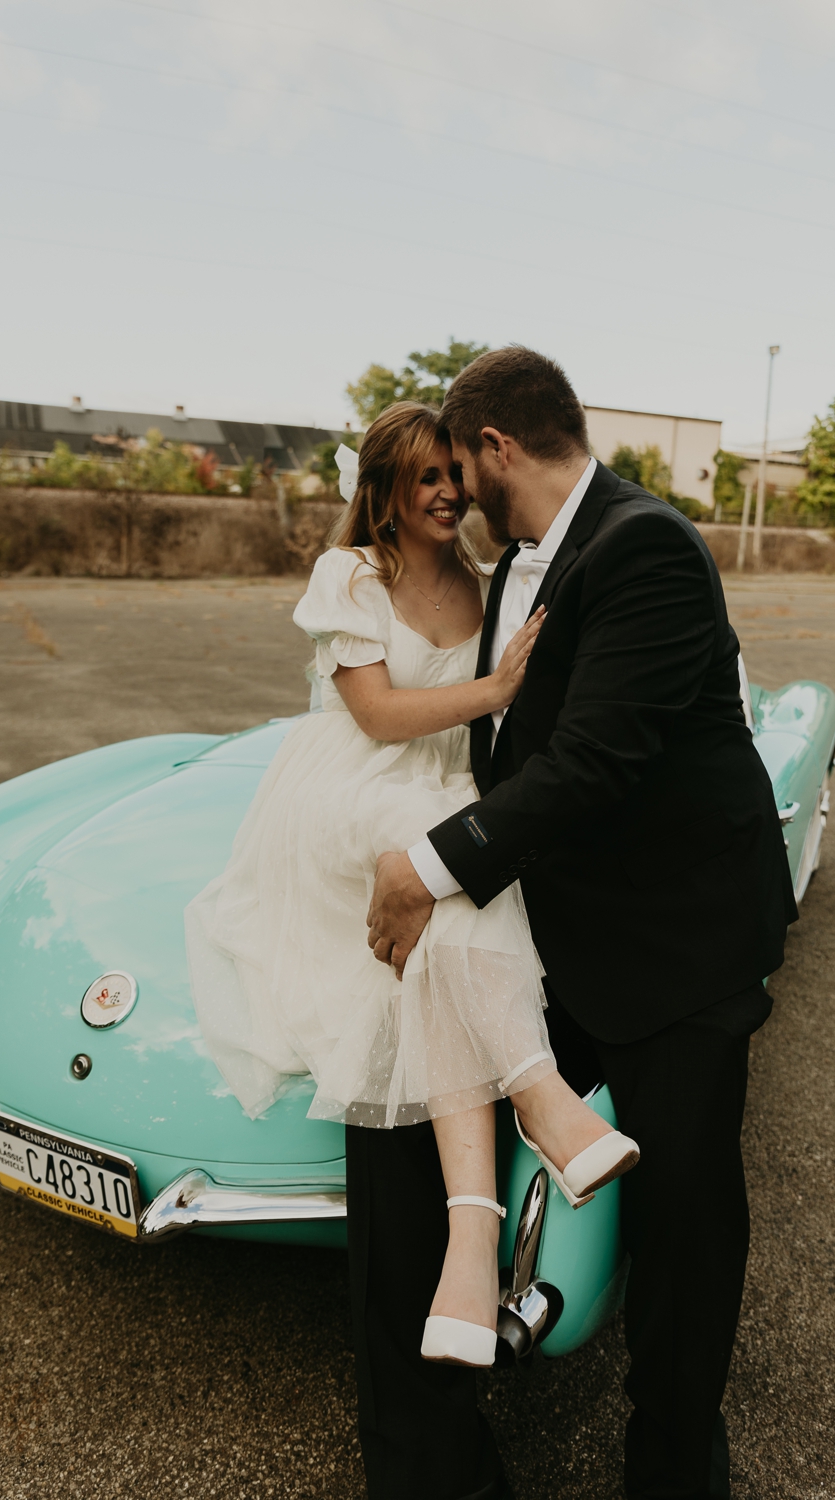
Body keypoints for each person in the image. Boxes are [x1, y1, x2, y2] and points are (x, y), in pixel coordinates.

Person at [361, 348, 796, 1499]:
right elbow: (504, 744)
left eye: (461, 467)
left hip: (676, 936)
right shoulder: (521, 562)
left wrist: (425, 867)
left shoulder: (643, 543)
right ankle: (434, 1427)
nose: (455, 494)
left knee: (686, 1212)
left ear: (498, 447)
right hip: (557, 919)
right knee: (399, 1095)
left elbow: (593, 761)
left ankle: (669, 1459)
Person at [186, 399, 638, 1375]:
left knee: (471, 892)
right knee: (429, 859)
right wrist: (494, 691)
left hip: (444, 786)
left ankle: (469, 1240)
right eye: (423, 478)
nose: (445, 492)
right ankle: (537, 1095)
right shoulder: (348, 574)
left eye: (452, 475)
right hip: (351, 787)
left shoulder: (487, 581)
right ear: (384, 494)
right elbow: (382, 717)